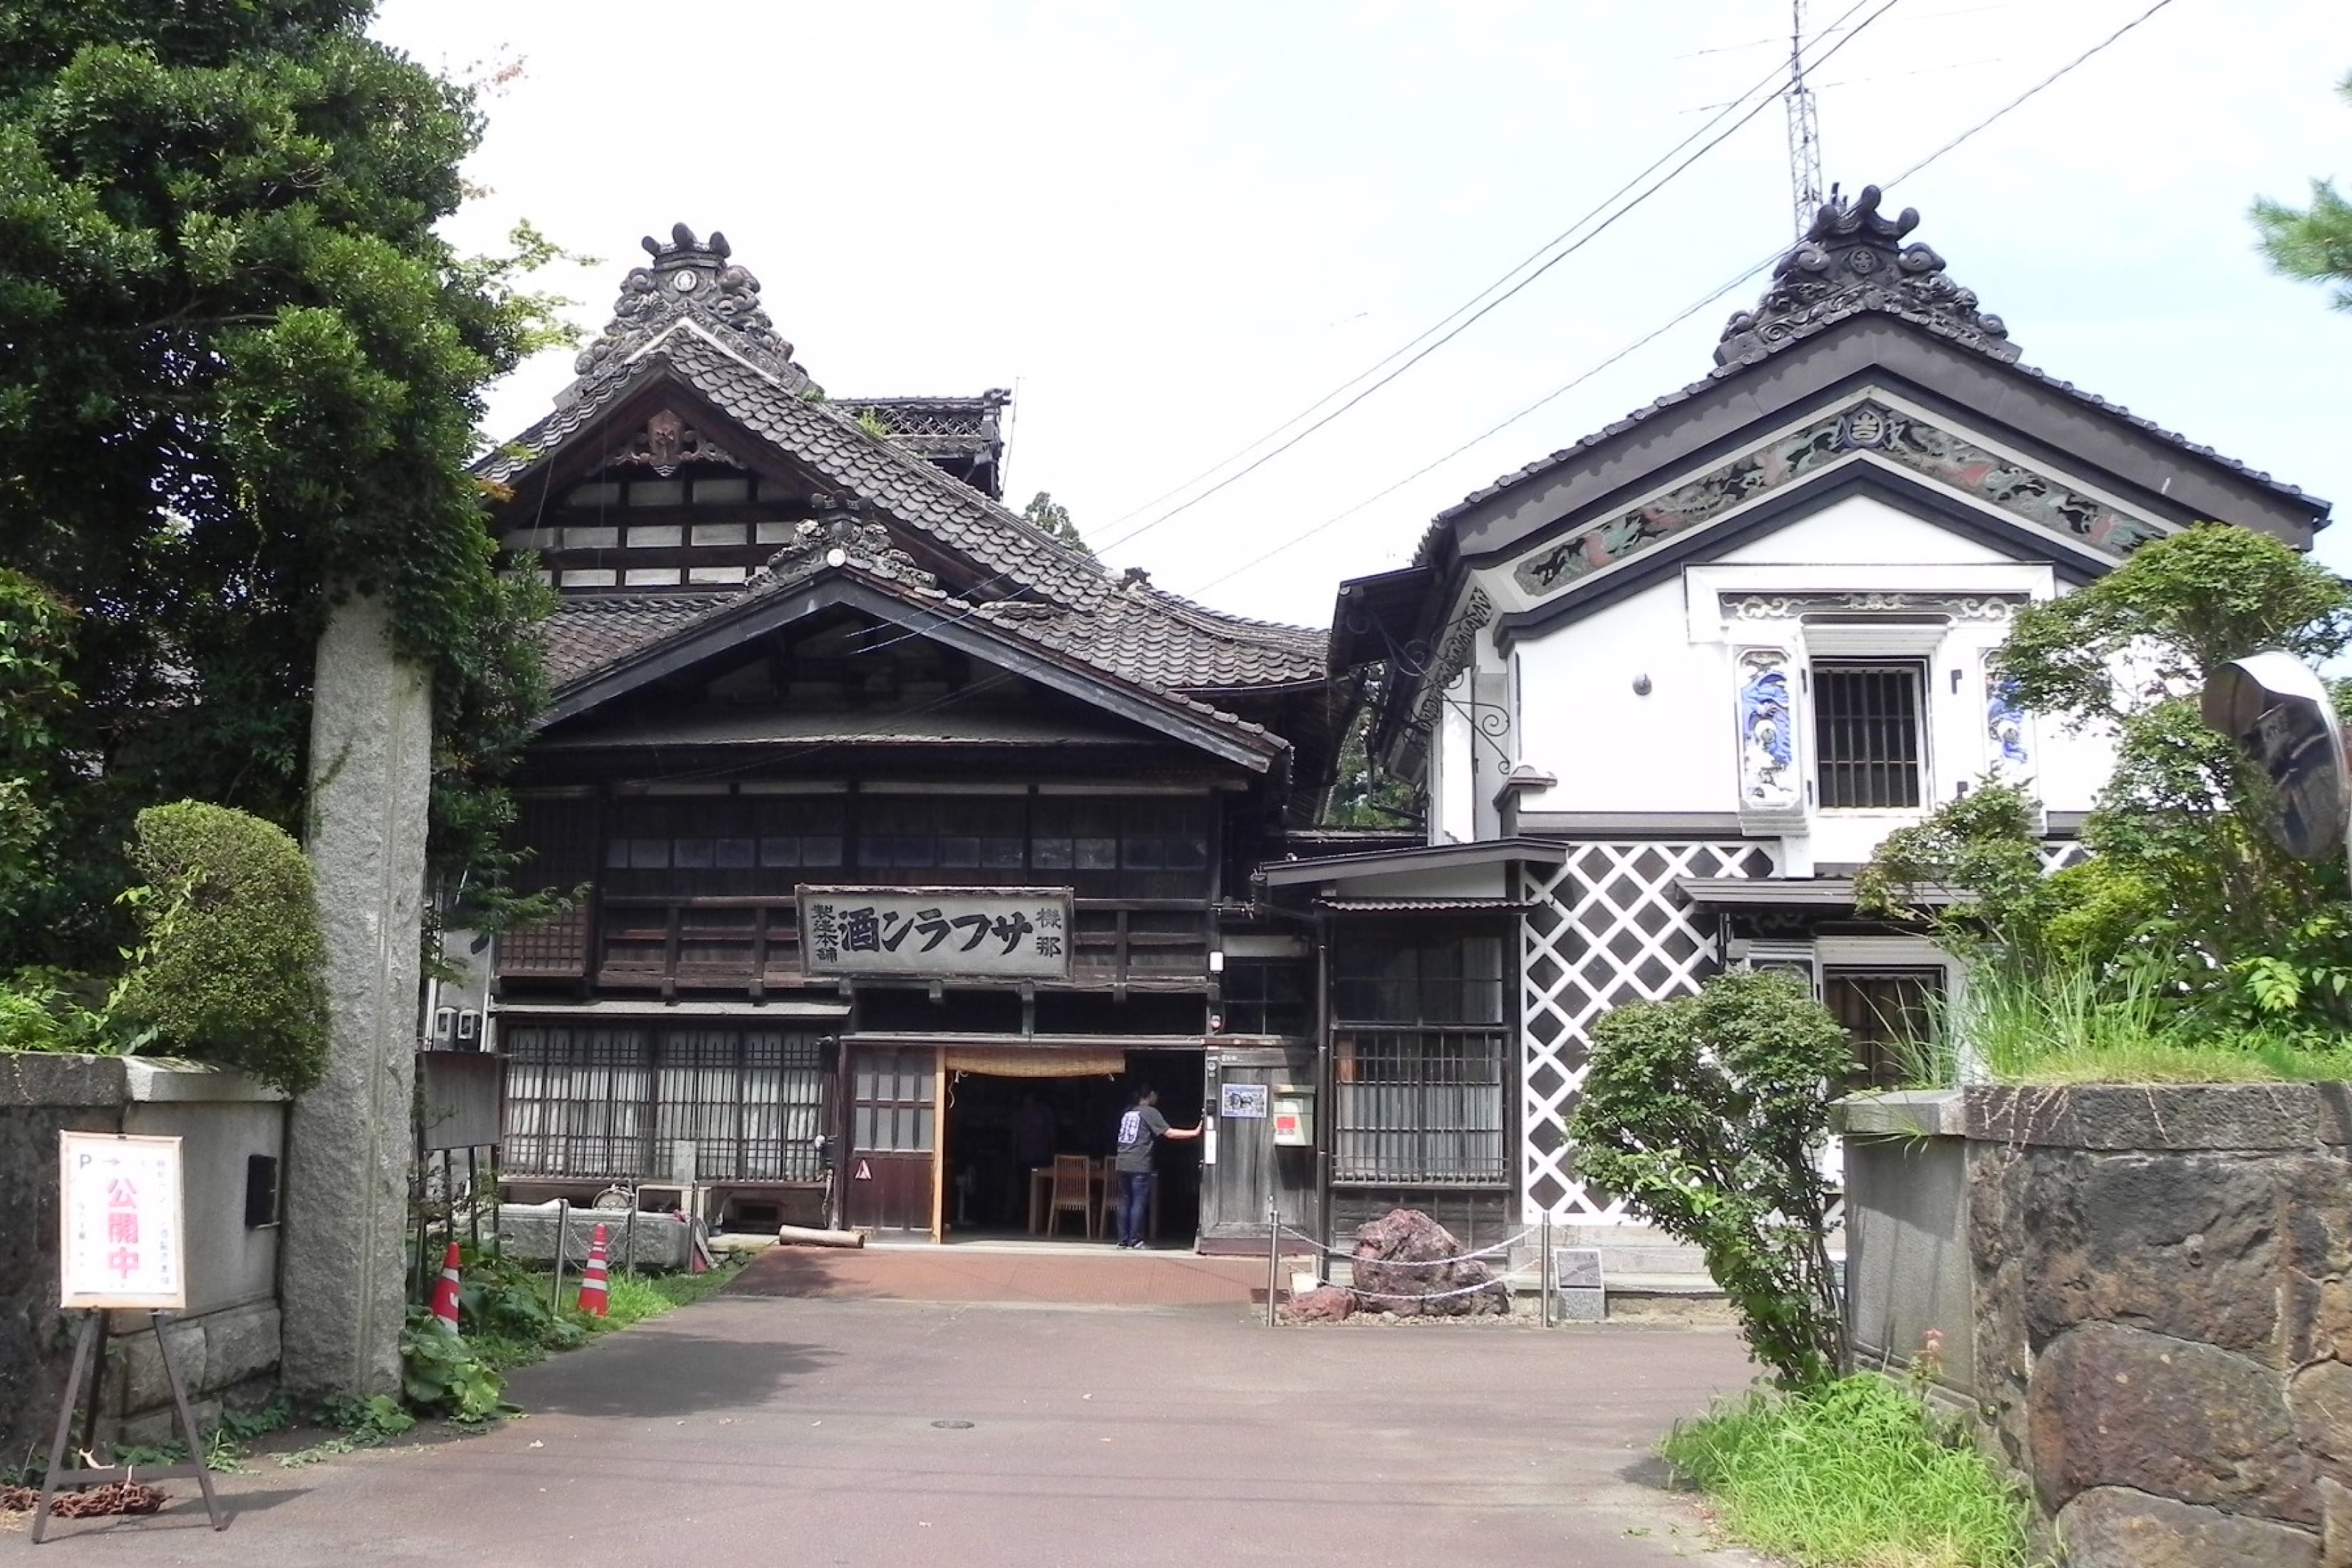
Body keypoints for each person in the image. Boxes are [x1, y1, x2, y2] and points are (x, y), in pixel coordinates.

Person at [1110, 1087, 1200, 1249]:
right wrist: (1194, 1132)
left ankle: (1122, 1240)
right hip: (1139, 1162)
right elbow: (1169, 1133)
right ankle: (1135, 1240)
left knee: (1125, 1200)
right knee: (1138, 1201)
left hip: (1122, 1161)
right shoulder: (1150, 1112)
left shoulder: (1128, 1112)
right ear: (1151, 1095)